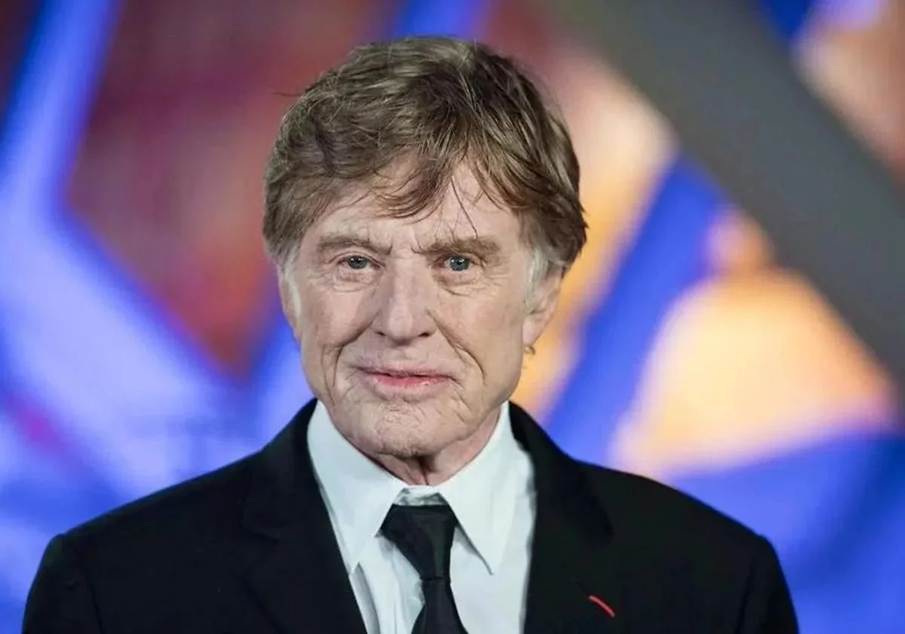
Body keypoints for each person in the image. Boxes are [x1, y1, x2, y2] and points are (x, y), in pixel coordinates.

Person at [23, 36, 797, 633]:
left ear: (541, 291)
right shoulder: (108, 589)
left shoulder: (714, 591)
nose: (400, 320)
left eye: (457, 263)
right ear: (290, 283)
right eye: (355, 262)